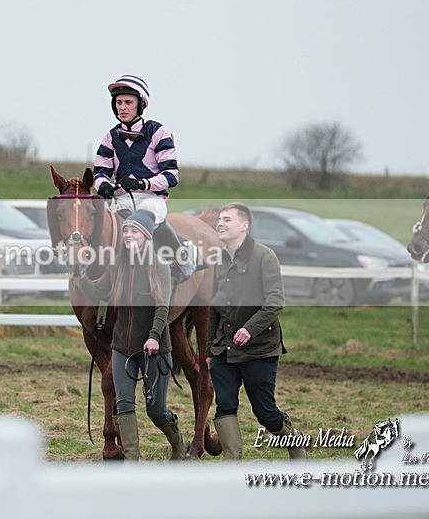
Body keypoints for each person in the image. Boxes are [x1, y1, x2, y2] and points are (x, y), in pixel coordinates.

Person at [70, 209, 187, 461]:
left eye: (134, 231)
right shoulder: (117, 265)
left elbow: (162, 306)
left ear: (146, 235)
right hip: (122, 346)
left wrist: (155, 336)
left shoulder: (159, 265)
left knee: (156, 410)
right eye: (125, 231)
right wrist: (78, 274)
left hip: (153, 346)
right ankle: (132, 461)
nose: (128, 235)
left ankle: (178, 442)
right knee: (123, 405)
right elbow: (99, 291)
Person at [204, 202, 306, 461]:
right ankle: (232, 463)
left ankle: (294, 443)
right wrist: (208, 350)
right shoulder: (220, 259)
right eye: (220, 219)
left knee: (265, 413)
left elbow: (275, 301)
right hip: (224, 350)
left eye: (227, 219)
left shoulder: (265, 256)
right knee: (224, 406)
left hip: (259, 350)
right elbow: (214, 307)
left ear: (244, 226)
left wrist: (249, 330)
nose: (221, 223)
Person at [93, 74, 195, 284]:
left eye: (128, 102)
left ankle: (182, 259)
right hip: (121, 200)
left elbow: (172, 175)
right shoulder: (110, 137)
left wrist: (143, 184)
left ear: (140, 105)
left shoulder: (159, 132)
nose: (123, 107)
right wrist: (103, 186)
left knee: (142, 216)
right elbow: (100, 171)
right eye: (119, 102)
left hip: (151, 200)